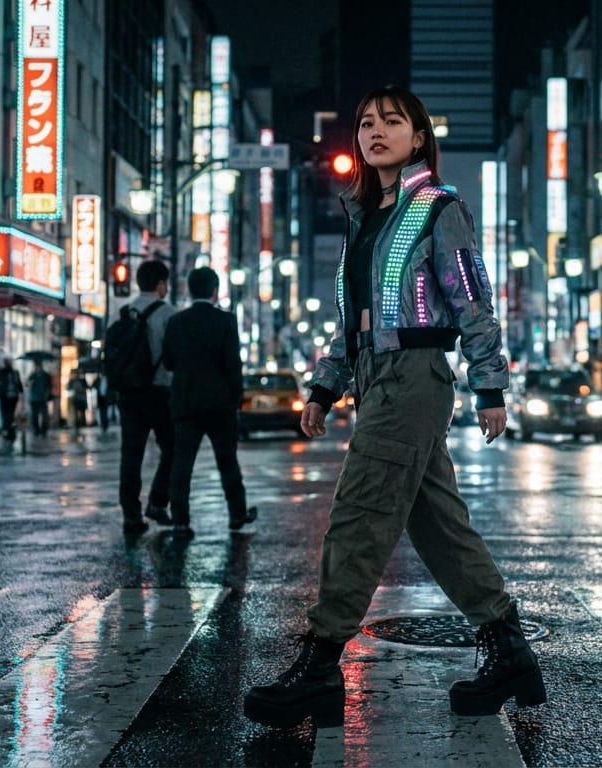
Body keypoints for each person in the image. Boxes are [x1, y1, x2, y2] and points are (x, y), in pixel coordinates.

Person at [243, 86, 543, 729]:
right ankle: (509, 650)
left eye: (391, 121)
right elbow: (356, 321)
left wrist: (490, 386)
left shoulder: (438, 207)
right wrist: (325, 386)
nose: (375, 131)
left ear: (418, 136)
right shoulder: (363, 217)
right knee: (437, 526)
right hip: (375, 377)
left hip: (415, 377)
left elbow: (471, 299)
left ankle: (321, 664)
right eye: (366, 123)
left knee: (359, 513)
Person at [160, 267, 257, 540]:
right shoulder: (225, 321)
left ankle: (180, 520)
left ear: (189, 290)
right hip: (219, 402)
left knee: (182, 464)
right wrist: (236, 397)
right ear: (214, 290)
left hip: (186, 401)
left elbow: (168, 361)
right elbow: (232, 363)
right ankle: (237, 514)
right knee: (227, 461)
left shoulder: (177, 321)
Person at [117, 260, 178, 534]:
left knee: (131, 455)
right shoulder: (168, 314)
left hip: (128, 393)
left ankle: (131, 515)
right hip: (158, 392)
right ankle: (157, 501)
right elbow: (173, 358)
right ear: (161, 284)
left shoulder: (122, 312)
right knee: (173, 448)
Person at [0, 358, 24, 442]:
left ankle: (10, 431)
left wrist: (21, 392)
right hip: (4, 396)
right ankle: (7, 431)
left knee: (9, 415)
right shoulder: (2, 372)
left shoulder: (15, 372)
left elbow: (19, 383)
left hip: (12, 397)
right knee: (6, 415)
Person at [27, 361, 52, 437]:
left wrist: (47, 394)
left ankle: (43, 431)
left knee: (45, 416)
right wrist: (30, 381)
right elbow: (28, 385)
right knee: (34, 416)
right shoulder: (32, 375)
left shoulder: (46, 375)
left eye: (38, 367)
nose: (37, 368)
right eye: (36, 367)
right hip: (34, 399)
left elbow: (49, 386)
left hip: (43, 399)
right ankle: (36, 430)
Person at [67, 368, 89, 441]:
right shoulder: (73, 381)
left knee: (80, 413)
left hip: (80, 399)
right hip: (76, 399)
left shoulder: (80, 380)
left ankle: (80, 424)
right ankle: (78, 425)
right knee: (77, 413)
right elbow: (68, 388)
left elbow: (86, 387)